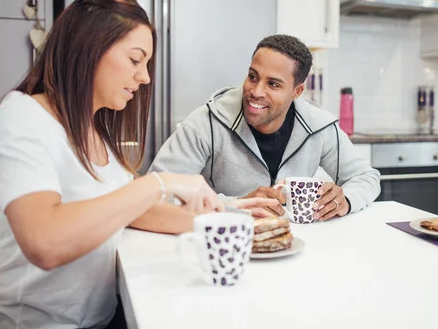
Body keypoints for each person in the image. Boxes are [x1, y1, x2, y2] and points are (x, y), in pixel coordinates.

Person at [0, 0, 275, 329]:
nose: (146, 77)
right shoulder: (23, 118)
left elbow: (132, 212)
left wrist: (231, 220)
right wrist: (157, 183)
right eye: (135, 60)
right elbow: (45, 242)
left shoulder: (93, 131)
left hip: (93, 320)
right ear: (88, 48)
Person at [149, 34, 381, 221]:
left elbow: (366, 177)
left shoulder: (319, 126)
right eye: (252, 76)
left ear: (296, 92)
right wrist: (236, 205)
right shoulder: (204, 123)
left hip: (294, 251)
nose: (256, 91)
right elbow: (155, 193)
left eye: (273, 84)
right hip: (225, 248)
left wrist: (346, 200)